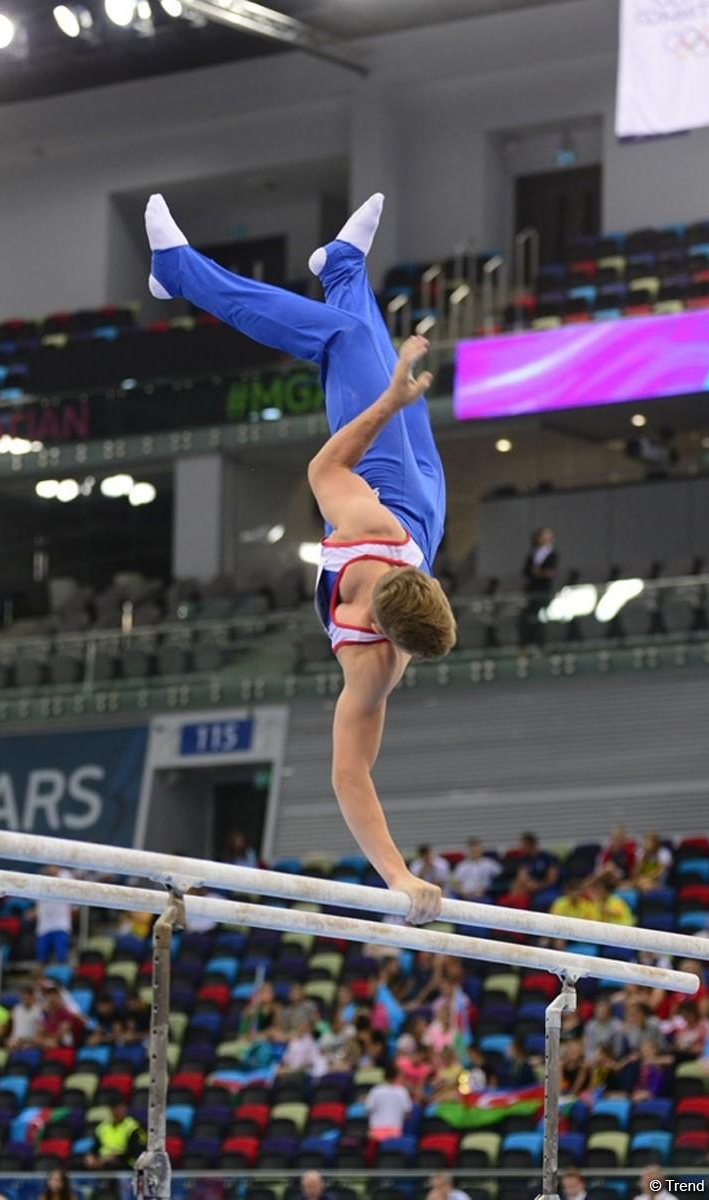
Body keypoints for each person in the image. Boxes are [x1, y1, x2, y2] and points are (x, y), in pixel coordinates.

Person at [146, 192, 455, 925]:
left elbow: (350, 776)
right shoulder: (378, 538)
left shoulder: (370, 664)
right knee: (361, 347)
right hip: (419, 510)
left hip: (376, 480)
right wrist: (391, 400)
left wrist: (398, 877)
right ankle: (341, 266)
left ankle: (179, 273)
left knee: (346, 342)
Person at [521, 527, 558, 643]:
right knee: (530, 618)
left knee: (542, 618)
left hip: (544, 591)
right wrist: (538, 573)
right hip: (532, 591)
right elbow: (527, 571)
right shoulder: (533, 554)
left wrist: (538, 572)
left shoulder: (552, 554)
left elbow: (550, 572)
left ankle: (543, 642)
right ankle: (530, 641)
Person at [84, 1099, 146, 1169]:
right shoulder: (103, 1127)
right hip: (103, 1160)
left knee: (108, 1166)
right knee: (79, 1164)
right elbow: (96, 1146)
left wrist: (117, 1157)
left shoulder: (133, 1127)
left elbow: (136, 1151)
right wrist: (91, 1155)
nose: (118, 1111)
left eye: (120, 1108)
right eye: (115, 1108)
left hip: (124, 1161)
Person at [34, 866, 73, 965]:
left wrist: (56, 873)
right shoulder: (41, 880)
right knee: (41, 960)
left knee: (61, 958)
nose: (50, 869)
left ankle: (60, 977)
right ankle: (41, 980)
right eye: (49, 867)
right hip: (43, 927)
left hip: (60, 925)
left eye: (53, 867)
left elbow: (69, 884)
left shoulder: (65, 876)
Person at [364, 1063, 412, 1141]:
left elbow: (367, 1110)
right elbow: (407, 1115)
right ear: (396, 1076)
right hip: (394, 1134)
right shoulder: (402, 1091)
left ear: (383, 1076)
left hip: (375, 1133)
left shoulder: (376, 1091)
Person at [509, 832, 559, 896]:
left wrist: (540, 885)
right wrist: (530, 884)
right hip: (530, 888)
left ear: (531, 845)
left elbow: (552, 877)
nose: (521, 848)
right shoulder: (523, 859)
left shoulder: (547, 857)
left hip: (547, 888)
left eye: (524, 846)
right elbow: (522, 876)